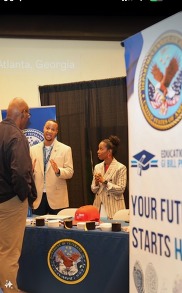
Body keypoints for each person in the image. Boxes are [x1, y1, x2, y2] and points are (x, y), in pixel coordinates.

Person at [0, 97, 37, 293]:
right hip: (10, 202)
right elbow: (21, 173)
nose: (27, 119)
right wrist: (25, 196)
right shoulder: (17, 136)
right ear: (22, 113)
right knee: (9, 254)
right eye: (27, 115)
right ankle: (9, 289)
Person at [30, 119, 74, 215]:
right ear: (43, 129)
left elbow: (70, 172)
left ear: (56, 132)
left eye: (53, 129)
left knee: (58, 228)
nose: (49, 131)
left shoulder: (65, 149)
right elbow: (28, 175)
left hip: (57, 198)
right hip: (38, 198)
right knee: (38, 229)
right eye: (47, 128)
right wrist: (30, 171)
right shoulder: (33, 149)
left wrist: (58, 171)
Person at [91, 135, 127, 219]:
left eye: (101, 149)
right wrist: (96, 182)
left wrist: (104, 181)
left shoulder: (120, 167)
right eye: (98, 148)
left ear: (109, 152)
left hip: (114, 208)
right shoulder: (97, 167)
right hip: (98, 207)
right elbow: (93, 190)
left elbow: (121, 189)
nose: (98, 151)